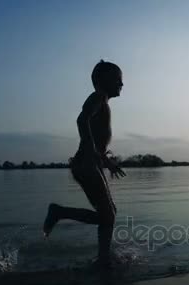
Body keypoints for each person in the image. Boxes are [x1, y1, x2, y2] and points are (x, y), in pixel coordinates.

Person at [42, 60, 126, 268]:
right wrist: (91, 151)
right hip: (86, 163)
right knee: (107, 215)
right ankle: (60, 213)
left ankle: (103, 258)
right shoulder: (98, 97)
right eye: (118, 79)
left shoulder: (104, 102)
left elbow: (97, 143)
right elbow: (82, 120)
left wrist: (107, 161)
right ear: (103, 80)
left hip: (90, 162)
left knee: (109, 214)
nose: (122, 84)